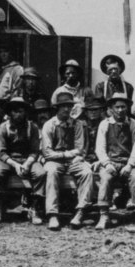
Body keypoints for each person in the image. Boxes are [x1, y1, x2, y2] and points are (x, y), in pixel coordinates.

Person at [41, 92, 93, 231]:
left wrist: (66, 155)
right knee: (51, 172)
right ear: (57, 108)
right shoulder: (49, 125)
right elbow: (47, 153)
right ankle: (53, 214)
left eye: (69, 106)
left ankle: (80, 212)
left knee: (87, 172)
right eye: (63, 106)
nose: (66, 109)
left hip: (72, 161)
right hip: (55, 161)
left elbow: (79, 149)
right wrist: (67, 154)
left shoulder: (77, 125)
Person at [0, 97, 46, 225]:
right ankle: (0, 209)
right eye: (15, 111)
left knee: (40, 173)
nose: (18, 114)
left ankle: (34, 208)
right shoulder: (3, 127)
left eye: (21, 111)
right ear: (10, 112)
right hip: (9, 160)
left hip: (27, 158)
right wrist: (15, 165)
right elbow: (1, 152)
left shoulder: (32, 127)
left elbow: (35, 150)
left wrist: (27, 163)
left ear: (25, 112)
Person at [93, 93, 135, 230]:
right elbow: (100, 147)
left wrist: (130, 165)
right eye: (117, 107)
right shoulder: (105, 124)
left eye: (123, 107)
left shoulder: (133, 124)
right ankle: (104, 216)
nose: (120, 110)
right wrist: (107, 164)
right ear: (111, 108)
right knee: (106, 178)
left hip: (128, 162)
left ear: (127, 108)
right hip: (111, 161)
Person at [82, 96, 107, 164]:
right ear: (86, 112)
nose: (93, 112)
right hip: (83, 159)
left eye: (96, 109)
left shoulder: (105, 126)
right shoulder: (81, 127)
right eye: (90, 110)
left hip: (100, 160)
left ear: (100, 111)